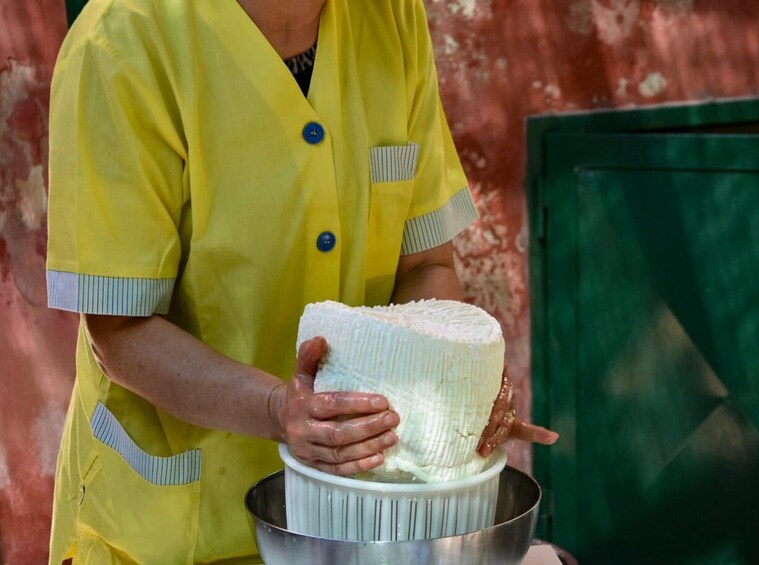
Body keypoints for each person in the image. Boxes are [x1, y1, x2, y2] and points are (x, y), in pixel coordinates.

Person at [45, 0, 558, 562]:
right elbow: (119, 330)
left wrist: (450, 379)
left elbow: (425, 266)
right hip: (176, 529)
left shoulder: (390, 17)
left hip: (357, 525)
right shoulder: (120, 42)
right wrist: (273, 408)